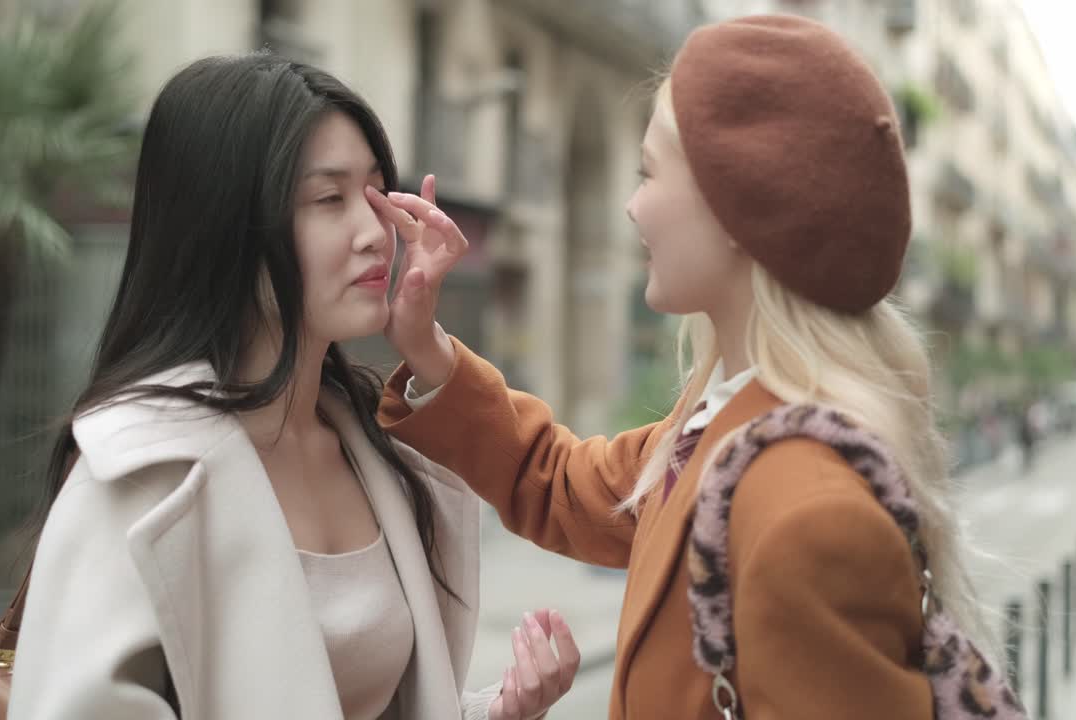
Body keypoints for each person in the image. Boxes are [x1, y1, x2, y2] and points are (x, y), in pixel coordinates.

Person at [369, 15, 1007, 719]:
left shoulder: (807, 510)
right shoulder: (727, 427)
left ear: (736, 210)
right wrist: (426, 348)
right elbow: (561, 480)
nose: (632, 206)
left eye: (649, 173)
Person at [8, 53, 579, 720]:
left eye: (377, 194)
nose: (375, 234)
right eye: (329, 199)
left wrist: (494, 712)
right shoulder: (141, 470)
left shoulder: (378, 449)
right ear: (227, 228)